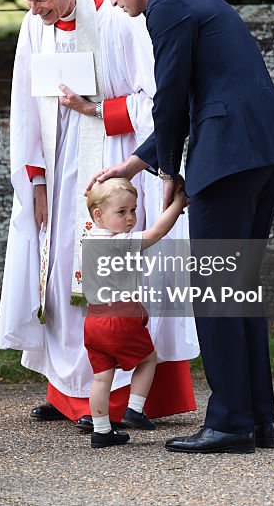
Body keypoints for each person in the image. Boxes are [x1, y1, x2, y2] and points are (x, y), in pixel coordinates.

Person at [93, 0, 274, 454]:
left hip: (229, 155)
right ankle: (256, 419)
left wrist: (167, 170)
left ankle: (231, 423)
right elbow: (190, 96)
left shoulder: (166, 5)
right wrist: (139, 160)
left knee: (215, 288)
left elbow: (171, 95)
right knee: (237, 287)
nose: (114, 1)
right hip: (261, 148)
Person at [0, 0, 199, 431]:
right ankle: (66, 392)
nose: (34, 9)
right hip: (58, 167)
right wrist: (35, 180)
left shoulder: (117, 18)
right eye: (28, 0)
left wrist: (97, 111)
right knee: (61, 271)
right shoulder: (32, 28)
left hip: (110, 162)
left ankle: (121, 399)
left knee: (110, 278)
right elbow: (25, 103)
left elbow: (156, 99)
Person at [81, 177, 188, 448]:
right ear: (99, 215)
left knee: (101, 377)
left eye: (133, 210)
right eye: (122, 212)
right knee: (148, 359)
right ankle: (135, 409)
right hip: (119, 317)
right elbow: (156, 233)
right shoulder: (117, 242)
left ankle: (102, 431)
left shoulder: (89, 238)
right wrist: (178, 203)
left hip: (93, 321)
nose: (130, 218)